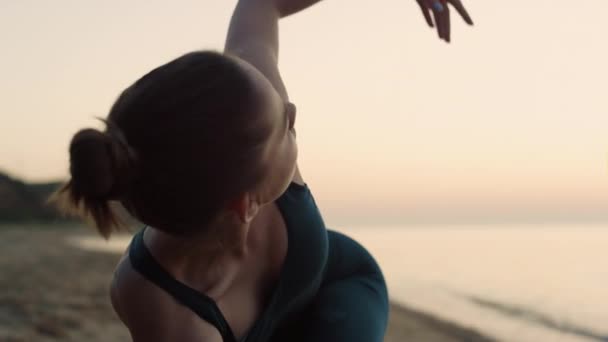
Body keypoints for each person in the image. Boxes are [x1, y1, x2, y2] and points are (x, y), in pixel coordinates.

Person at [53, 0, 473, 341]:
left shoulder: (250, 109)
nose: (291, 110)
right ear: (245, 203)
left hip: (341, 286)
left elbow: (262, 3)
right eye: (286, 128)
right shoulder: (159, 303)